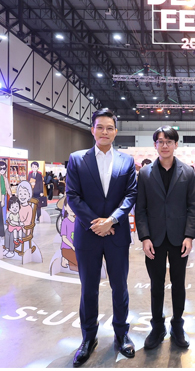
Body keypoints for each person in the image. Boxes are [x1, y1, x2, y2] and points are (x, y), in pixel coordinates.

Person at [66, 108, 138, 366]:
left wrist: (111, 220)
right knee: (89, 288)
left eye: (109, 128)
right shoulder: (77, 159)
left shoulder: (126, 161)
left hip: (117, 233)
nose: (104, 132)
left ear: (115, 132)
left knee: (120, 287)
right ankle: (88, 338)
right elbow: (73, 196)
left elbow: (130, 195)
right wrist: (96, 223)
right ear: (92, 130)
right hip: (88, 234)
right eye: (100, 127)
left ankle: (122, 334)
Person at [135, 126, 195, 350]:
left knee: (179, 284)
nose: (164, 145)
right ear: (155, 145)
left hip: (179, 239)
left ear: (176, 144)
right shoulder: (145, 173)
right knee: (156, 284)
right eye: (160, 141)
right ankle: (157, 326)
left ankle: (177, 325)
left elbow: (193, 207)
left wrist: (189, 235)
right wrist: (144, 237)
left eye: (169, 141)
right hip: (154, 239)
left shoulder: (187, 172)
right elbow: (140, 209)